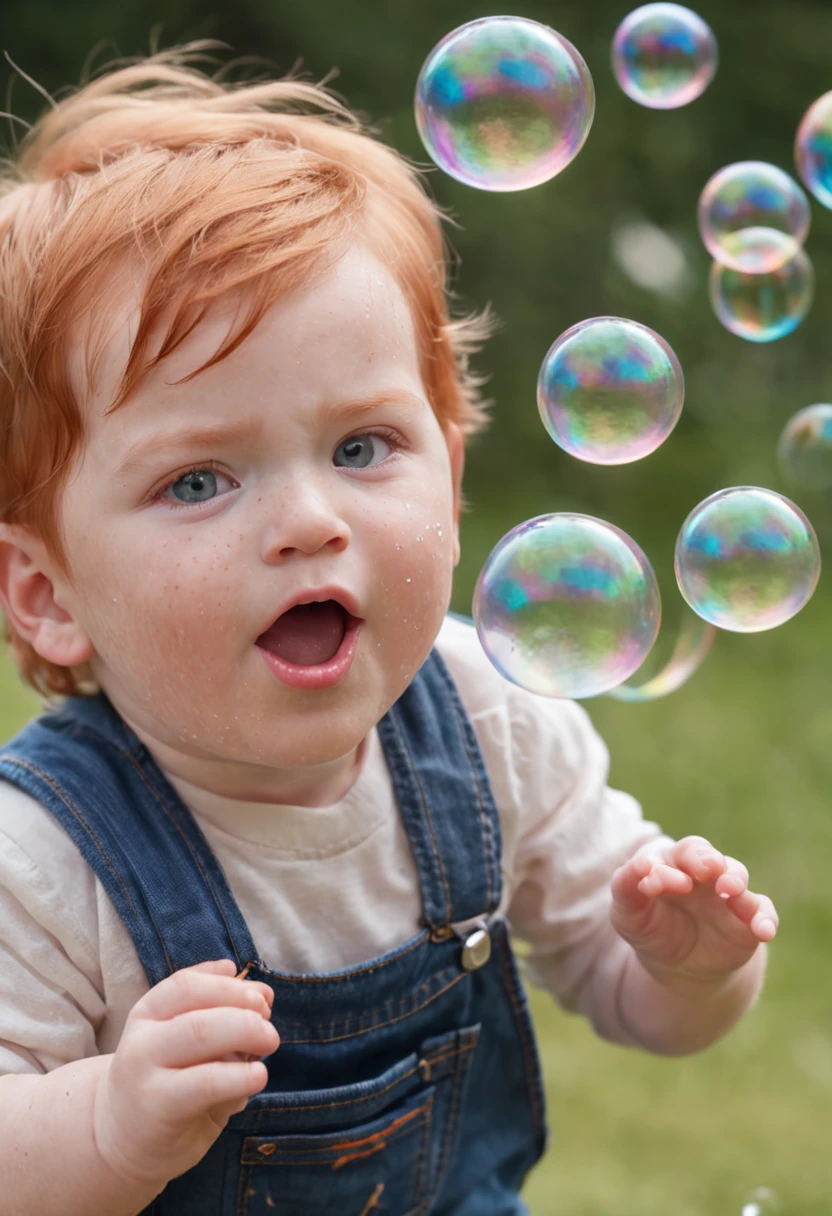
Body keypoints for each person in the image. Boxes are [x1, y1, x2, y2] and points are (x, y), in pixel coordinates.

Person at [0, 43, 778, 1216]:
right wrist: (111, 1123)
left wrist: (689, 966)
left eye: (361, 448)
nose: (309, 520)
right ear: (48, 594)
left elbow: (636, 1003)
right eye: (200, 479)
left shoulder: (488, 714)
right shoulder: (38, 861)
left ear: (450, 472)